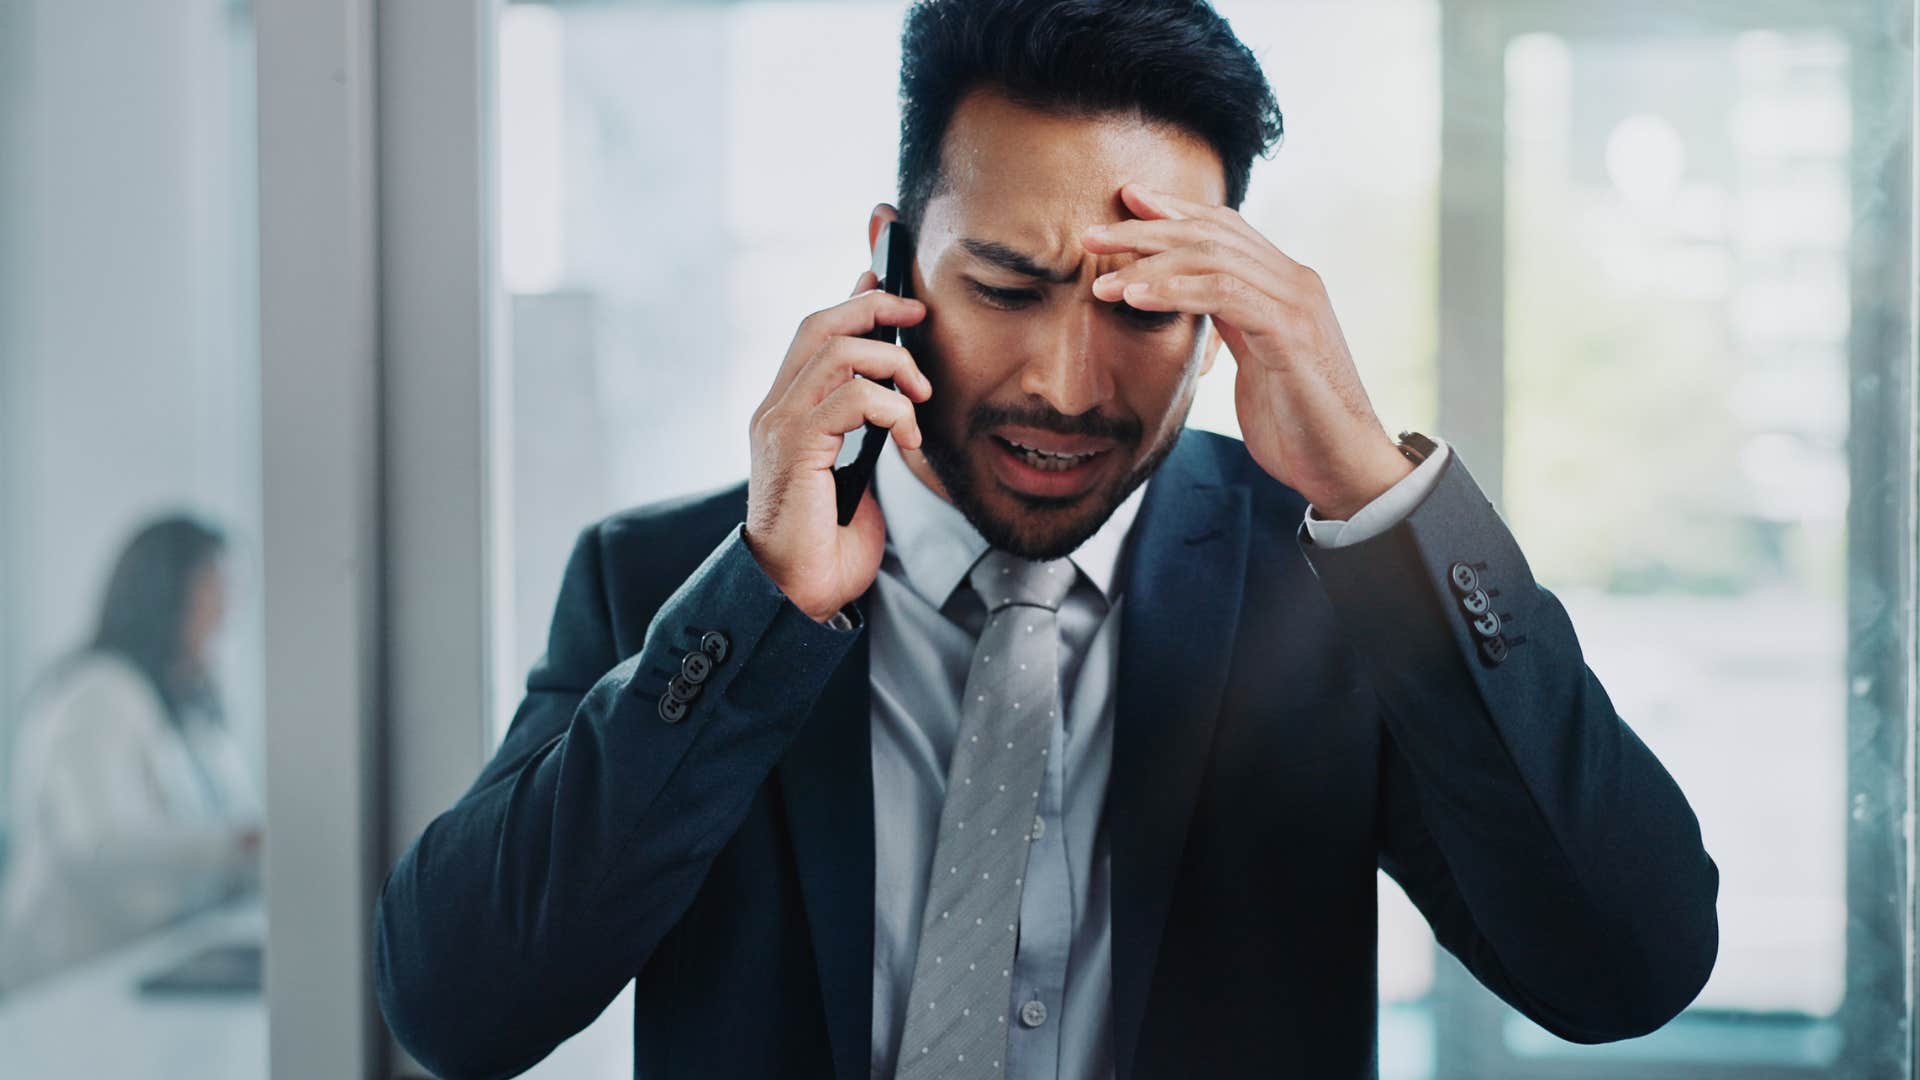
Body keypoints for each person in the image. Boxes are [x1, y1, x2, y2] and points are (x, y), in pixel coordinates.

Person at [375, 1, 1719, 1076]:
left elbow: (1626, 967)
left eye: (1142, 304)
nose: (1068, 385)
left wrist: (1376, 497)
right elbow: (456, 1009)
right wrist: (765, 607)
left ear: (1225, 314)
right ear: (895, 264)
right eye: (1009, 286)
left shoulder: (1335, 584)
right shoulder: (672, 585)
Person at [0, 514, 261, 991]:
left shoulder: (187, 708)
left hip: (155, 962)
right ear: (166, 595)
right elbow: (97, 848)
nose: (226, 610)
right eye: (211, 587)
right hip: (71, 976)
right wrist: (238, 845)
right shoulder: (96, 694)